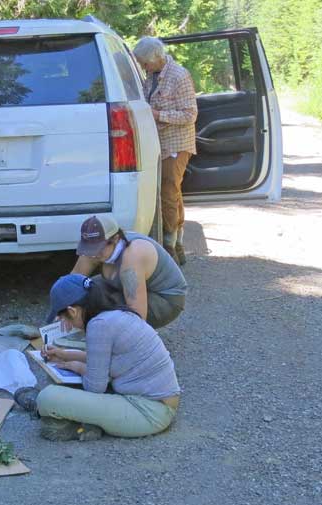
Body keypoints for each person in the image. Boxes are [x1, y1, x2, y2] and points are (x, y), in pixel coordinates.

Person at [15, 274, 181, 441]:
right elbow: (104, 360)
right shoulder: (113, 314)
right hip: (156, 402)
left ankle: (55, 414)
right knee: (72, 388)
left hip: (147, 412)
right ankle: (87, 424)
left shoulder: (98, 325)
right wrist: (64, 354)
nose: (65, 322)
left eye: (63, 317)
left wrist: (74, 366)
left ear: (73, 310)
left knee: (47, 397)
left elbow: (95, 387)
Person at [132, 36, 198, 265]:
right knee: (172, 190)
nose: (143, 67)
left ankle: (169, 246)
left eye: (144, 63)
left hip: (177, 142)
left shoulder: (179, 75)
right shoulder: (152, 75)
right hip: (157, 142)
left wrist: (158, 115)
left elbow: (190, 114)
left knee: (168, 190)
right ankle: (177, 242)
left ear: (156, 58)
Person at [70, 214, 187, 330]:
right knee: (88, 288)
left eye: (97, 248)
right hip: (140, 286)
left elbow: (137, 315)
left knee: (104, 303)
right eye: (90, 248)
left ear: (115, 239)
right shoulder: (98, 244)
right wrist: (66, 310)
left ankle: (108, 337)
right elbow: (72, 283)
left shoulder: (132, 255)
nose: (93, 254)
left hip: (166, 299)